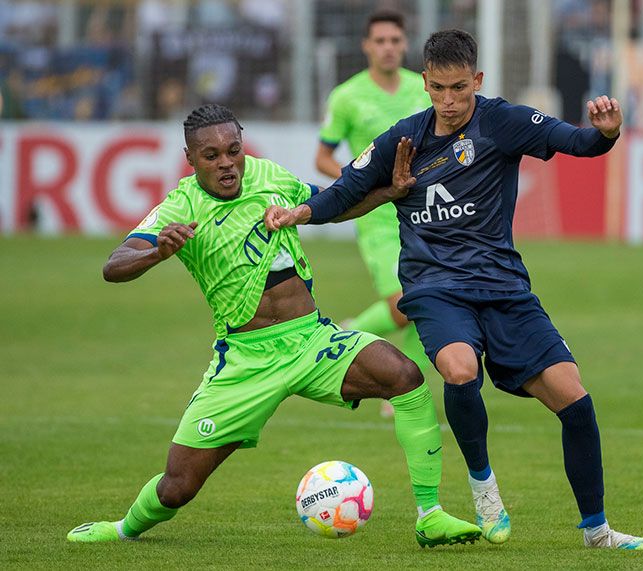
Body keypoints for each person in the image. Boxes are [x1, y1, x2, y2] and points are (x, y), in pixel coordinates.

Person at [265, 30, 643, 551]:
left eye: (459, 89)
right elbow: (346, 190)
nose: (449, 102)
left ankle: (597, 531)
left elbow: (575, 141)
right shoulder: (403, 139)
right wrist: (302, 213)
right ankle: (483, 488)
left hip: (503, 286)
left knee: (575, 401)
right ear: (425, 82)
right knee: (459, 367)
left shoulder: (503, 121)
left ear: (477, 81)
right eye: (439, 89)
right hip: (433, 285)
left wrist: (604, 134)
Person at [66, 103, 481, 548]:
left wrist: (390, 191)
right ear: (190, 159)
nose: (226, 163)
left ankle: (430, 515)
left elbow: (332, 204)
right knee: (178, 486)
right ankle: (125, 529)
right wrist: (156, 252)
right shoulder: (179, 206)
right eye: (211, 156)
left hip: (311, 340)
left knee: (405, 376)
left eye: (233, 150)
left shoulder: (270, 178)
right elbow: (114, 266)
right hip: (246, 359)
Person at [316, 10, 430, 418]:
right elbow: (322, 156)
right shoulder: (347, 96)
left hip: (425, 210)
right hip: (379, 213)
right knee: (402, 302)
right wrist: (358, 183)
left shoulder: (424, 88)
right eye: (380, 41)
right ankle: (346, 336)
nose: (388, 48)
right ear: (367, 46)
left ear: (404, 44)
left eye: (395, 40)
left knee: (427, 298)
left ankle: (405, 390)